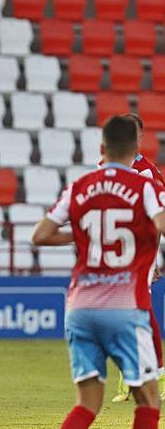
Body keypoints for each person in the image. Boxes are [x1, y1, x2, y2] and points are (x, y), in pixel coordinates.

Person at [31, 115, 164, 429]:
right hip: (125, 305)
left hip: (80, 306)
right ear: (135, 148)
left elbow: (40, 235)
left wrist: (81, 235)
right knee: (149, 401)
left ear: (102, 147)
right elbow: (161, 225)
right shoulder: (145, 183)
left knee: (88, 403)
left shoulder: (80, 186)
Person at [106, 113, 165, 402]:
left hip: (141, 248)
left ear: (140, 138)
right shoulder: (105, 166)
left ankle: (157, 374)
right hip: (115, 249)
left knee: (138, 308)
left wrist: (158, 259)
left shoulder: (147, 173)